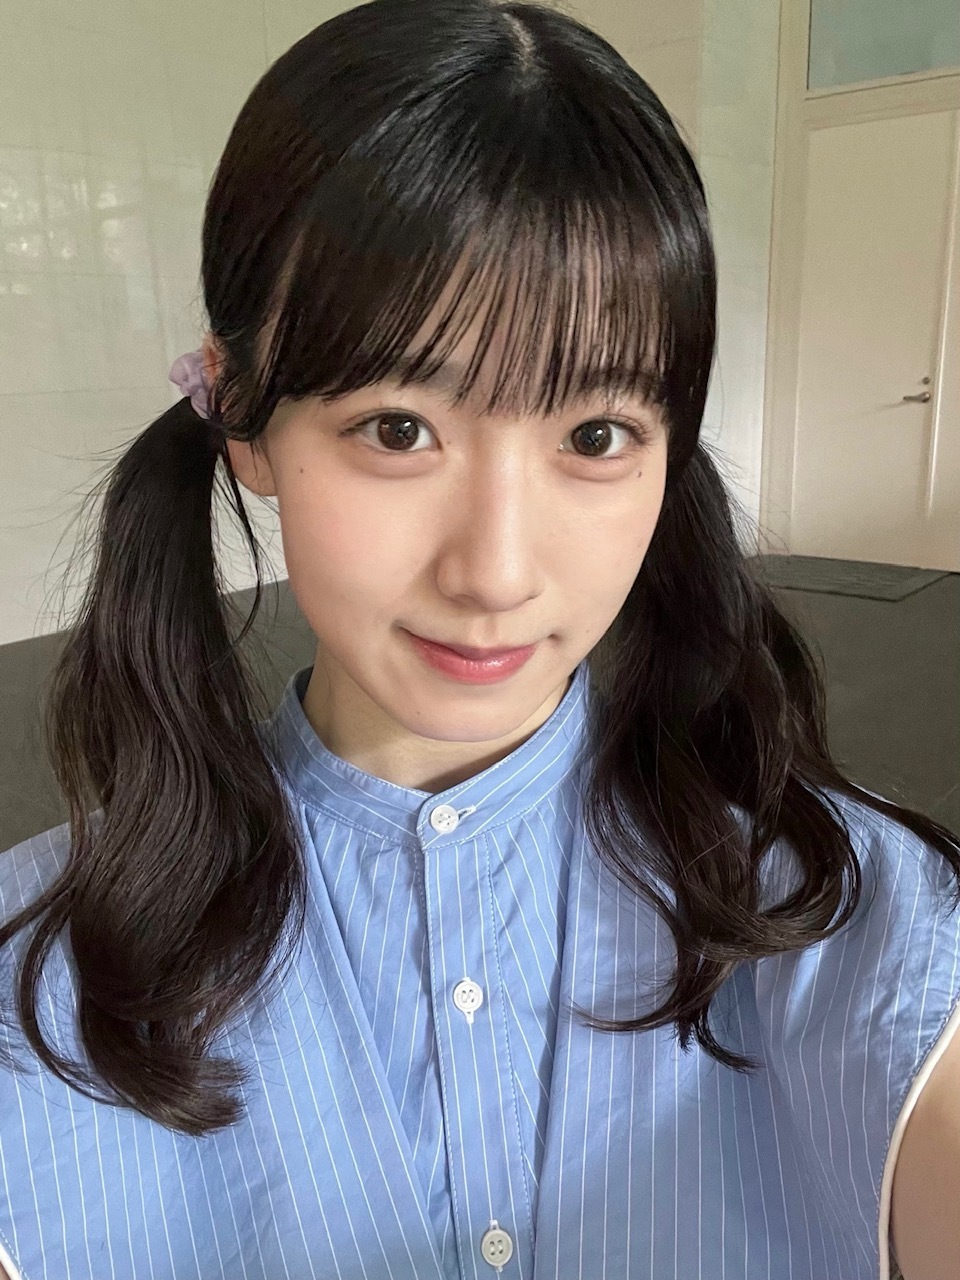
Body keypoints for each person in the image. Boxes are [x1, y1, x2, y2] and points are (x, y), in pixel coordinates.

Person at [0, 0, 958, 1277]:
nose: (497, 571)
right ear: (240, 417)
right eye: (399, 428)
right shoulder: (31, 988)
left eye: (596, 435)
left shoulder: (852, 913)